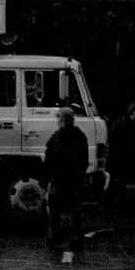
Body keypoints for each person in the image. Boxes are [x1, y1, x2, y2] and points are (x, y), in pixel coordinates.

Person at [44, 106, 89, 260]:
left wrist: (50, 176)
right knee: (75, 209)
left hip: (59, 180)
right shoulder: (80, 136)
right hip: (74, 180)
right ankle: (76, 237)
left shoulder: (56, 137)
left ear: (62, 120)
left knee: (55, 209)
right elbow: (84, 160)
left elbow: (49, 158)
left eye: (59, 118)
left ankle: (56, 236)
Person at [106, 104, 135, 216]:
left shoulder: (120, 123)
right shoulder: (129, 125)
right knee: (119, 183)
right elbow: (128, 144)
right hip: (121, 159)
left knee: (115, 183)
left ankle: (112, 206)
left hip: (116, 158)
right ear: (134, 112)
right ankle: (119, 206)